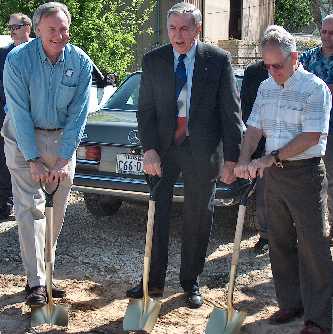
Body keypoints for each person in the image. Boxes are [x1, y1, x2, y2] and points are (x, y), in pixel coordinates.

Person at [126, 2, 243, 309]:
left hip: (202, 152)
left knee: (198, 217)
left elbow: (231, 112)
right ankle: (152, 279)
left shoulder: (218, 60)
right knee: (156, 214)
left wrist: (232, 159)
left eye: (185, 28)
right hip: (161, 151)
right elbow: (145, 111)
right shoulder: (153, 60)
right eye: (173, 28)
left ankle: (191, 281)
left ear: (197, 29)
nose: (178, 35)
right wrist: (149, 148)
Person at [234, 25, 333, 334]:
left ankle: (319, 318)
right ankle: (290, 303)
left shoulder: (314, 88)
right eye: (267, 64)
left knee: (313, 246)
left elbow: (312, 136)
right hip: (273, 177)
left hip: (305, 174)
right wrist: (243, 159)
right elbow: (254, 129)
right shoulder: (266, 87)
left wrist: (270, 158)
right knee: (278, 240)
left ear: (295, 58)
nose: (272, 70)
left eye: (277, 65)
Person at [1, 2, 92, 307]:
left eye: (63, 28)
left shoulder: (80, 62)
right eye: (52, 29)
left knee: (56, 211)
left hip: (62, 141)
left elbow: (79, 114)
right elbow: (19, 113)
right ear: (36, 29)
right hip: (23, 139)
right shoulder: (18, 60)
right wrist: (32, 159)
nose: (58, 35)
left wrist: (65, 158)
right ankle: (35, 281)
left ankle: (46, 271)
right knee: (30, 210)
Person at [299, 14, 333, 241]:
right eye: (325, 32)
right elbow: (295, 82)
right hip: (306, 129)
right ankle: (309, 230)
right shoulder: (307, 57)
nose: (328, 37)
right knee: (306, 180)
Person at [0, 13, 31, 221]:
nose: (12, 31)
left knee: (30, 164)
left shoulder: (39, 50)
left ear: (28, 27)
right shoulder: (3, 54)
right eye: (9, 27)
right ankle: (5, 206)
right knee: (5, 163)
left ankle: (30, 206)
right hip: (7, 118)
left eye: (16, 27)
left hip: (33, 120)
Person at [240, 60, 269, 253]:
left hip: (284, 142)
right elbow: (246, 105)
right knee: (262, 191)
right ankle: (265, 235)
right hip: (257, 137)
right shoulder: (252, 72)